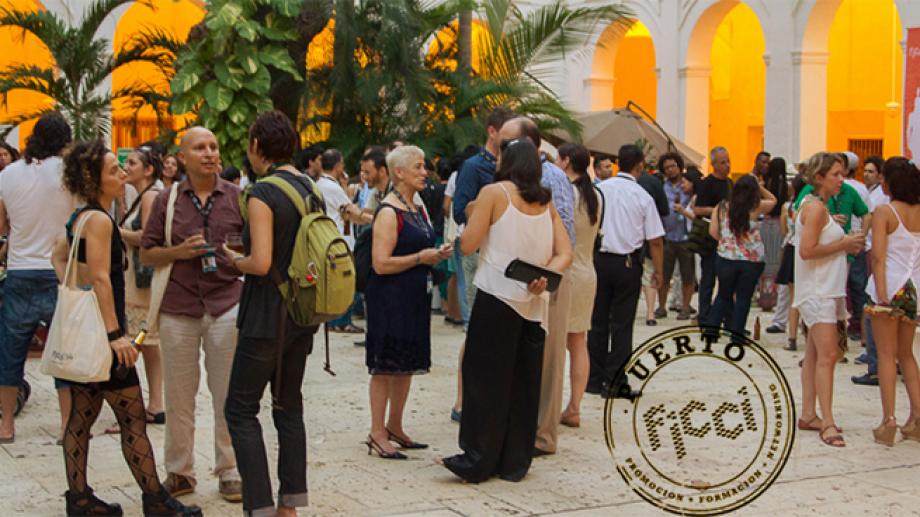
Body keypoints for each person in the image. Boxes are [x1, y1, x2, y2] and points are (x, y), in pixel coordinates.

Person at [51, 139, 200, 517]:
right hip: (106, 338)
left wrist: (75, 291)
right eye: (113, 170)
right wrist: (115, 335)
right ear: (93, 179)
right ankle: (156, 500)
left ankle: (79, 499)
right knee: (133, 419)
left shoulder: (81, 217)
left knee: (80, 420)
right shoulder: (101, 221)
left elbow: (58, 255)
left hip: (89, 336)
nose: (121, 174)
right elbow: (102, 279)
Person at [440, 137, 571, 482]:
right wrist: (544, 275)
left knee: (484, 381)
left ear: (506, 162)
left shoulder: (493, 193)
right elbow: (565, 253)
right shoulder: (545, 201)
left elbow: (468, 245)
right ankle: (514, 461)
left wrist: (471, 213)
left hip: (497, 296)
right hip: (534, 304)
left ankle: (478, 458)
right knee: (523, 383)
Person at [220, 111, 318, 516]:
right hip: (302, 311)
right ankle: (289, 505)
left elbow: (260, 262)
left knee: (240, 409)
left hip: (265, 315)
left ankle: (258, 506)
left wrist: (233, 260)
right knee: (288, 405)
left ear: (257, 146)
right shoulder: (310, 187)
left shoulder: (263, 193)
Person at [140, 127, 244, 501]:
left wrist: (237, 257)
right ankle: (180, 471)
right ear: (182, 157)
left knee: (227, 392)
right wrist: (178, 252)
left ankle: (230, 470)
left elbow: (252, 246)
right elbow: (147, 253)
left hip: (226, 302)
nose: (209, 153)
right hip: (178, 306)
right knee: (179, 395)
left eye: (213, 146)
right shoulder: (166, 200)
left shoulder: (237, 197)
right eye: (200, 147)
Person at [364, 145, 451, 459]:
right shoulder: (389, 211)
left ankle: (395, 425)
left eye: (424, 166)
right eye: (418, 167)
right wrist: (420, 258)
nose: (424, 172)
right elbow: (380, 263)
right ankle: (377, 432)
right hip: (390, 298)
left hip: (414, 297)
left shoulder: (416, 207)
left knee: (406, 365)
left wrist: (435, 255)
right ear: (398, 172)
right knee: (386, 365)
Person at [497, 116, 575, 456]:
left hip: (547, 278)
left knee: (550, 357)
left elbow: (564, 236)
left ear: (529, 144)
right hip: (519, 279)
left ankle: (543, 436)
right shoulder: (510, 180)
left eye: (506, 143)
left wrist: (544, 274)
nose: (498, 147)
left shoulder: (551, 177)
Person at [0, 112, 76, 444]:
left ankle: (6, 424)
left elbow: (2, 225)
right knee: (63, 353)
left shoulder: (9, 174)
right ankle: (66, 424)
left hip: (19, 271)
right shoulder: (70, 173)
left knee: (10, 351)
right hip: (59, 270)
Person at [446, 107, 515, 422]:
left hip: (504, 256)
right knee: (474, 328)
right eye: (508, 133)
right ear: (492, 132)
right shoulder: (474, 167)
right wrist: (488, 205)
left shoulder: (513, 167)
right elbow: (459, 210)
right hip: (476, 252)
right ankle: (462, 401)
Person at [794, 152, 865, 448]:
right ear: (819, 177)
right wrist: (844, 243)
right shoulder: (815, 208)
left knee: (814, 355)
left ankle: (809, 414)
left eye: (842, 174)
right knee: (829, 355)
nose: (841, 180)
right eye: (835, 174)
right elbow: (807, 251)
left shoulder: (817, 207)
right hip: (819, 290)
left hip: (823, 289)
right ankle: (828, 422)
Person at [588, 144, 665, 399]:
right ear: (640, 164)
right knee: (622, 324)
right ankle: (615, 380)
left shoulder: (600, 189)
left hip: (599, 260)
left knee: (597, 321)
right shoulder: (642, 196)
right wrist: (659, 271)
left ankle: (593, 378)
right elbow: (655, 240)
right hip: (627, 263)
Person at [864, 157, 920, 446]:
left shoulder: (884, 211)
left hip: (890, 286)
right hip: (914, 289)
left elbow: (878, 257)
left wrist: (882, 294)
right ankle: (917, 417)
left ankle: (889, 421)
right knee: (907, 354)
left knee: (886, 355)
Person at [111, 146, 166, 432]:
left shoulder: (150, 196)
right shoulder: (141, 195)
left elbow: (146, 236)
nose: (126, 167)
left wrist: (116, 231)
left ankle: (138, 406)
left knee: (137, 341)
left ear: (148, 169)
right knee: (148, 344)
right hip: (138, 281)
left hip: (140, 284)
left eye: (132, 163)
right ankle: (155, 404)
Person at [556, 143, 600, 428]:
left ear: (566, 161)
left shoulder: (565, 194)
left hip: (566, 271)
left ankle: (552, 404)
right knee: (579, 342)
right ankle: (574, 406)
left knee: (557, 343)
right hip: (588, 271)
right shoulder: (596, 196)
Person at [704, 175, 777, 337]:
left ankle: (711, 330)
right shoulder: (756, 206)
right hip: (751, 260)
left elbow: (713, 231)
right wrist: (760, 186)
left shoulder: (721, 207)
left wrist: (726, 241)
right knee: (744, 298)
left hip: (726, 257)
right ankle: (737, 334)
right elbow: (773, 200)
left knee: (723, 295)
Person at [318, 149, 363, 334]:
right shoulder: (332, 187)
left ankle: (333, 320)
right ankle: (342, 321)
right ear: (337, 166)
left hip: (329, 239)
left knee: (335, 283)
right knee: (347, 282)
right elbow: (350, 210)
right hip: (341, 240)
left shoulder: (319, 184)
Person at [694, 146, 734, 324]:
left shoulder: (730, 183)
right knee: (708, 279)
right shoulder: (707, 184)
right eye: (723, 162)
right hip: (710, 238)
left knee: (727, 281)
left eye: (728, 161)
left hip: (728, 238)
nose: (727, 166)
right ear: (714, 165)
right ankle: (704, 316)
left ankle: (728, 317)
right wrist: (720, 210)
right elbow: (698, 209)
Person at [657, 152, 695, 320]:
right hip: (667, 236)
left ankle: (685, 307)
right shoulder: (662, 187)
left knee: (688, 275)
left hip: (686, 237)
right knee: (664, 275)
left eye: (673, 166)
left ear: (680, 166)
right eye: (666, 168)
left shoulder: (688, 185)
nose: (670, 170)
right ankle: (661, 306)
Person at [773, 175, 806, 351]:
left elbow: (784, 230)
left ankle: (791, 337)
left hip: (790, 247)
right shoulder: (811, 207)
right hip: (805, 250)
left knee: (792, 295)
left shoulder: (788, 207)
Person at [757, 157, 789, 311]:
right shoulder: (786, 186)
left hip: (766, 222)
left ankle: (763, 296)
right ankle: (773, 297)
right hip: (779, 224)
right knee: (776, 260)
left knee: (765, 259)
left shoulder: (767, 184)